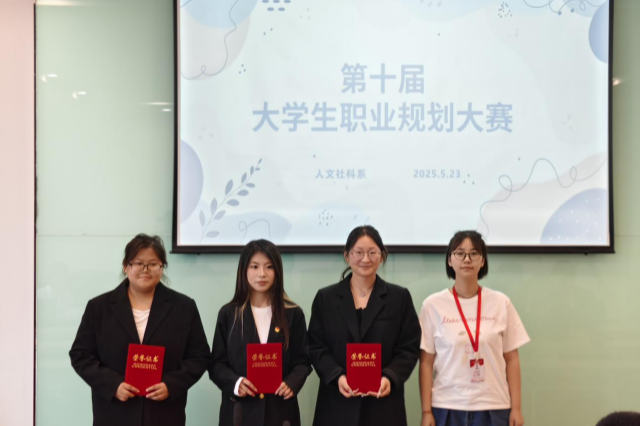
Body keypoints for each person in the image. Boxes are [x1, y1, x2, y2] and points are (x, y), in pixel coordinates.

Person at [69, 234, 210, 426]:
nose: (146, 269)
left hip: (164, 414)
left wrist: (171, 385)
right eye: (138, 263)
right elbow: (81, 355)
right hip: (114, 413)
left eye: (153, 264)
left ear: (162, 268)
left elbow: (199, 356)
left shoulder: (184, 307)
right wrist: (112, 385)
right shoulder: (99, 307)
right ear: (125, 266)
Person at [308, 225, 421, 426]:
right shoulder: (326, 298)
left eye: (372, 252)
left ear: (382, 256)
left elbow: (409, 347)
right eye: (358, 252)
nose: (365, 259)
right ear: (347, 256)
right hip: (337, 403)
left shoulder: (399, 297)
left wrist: (390, 377)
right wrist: (337, 377)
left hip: (383, 404)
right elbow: (316, 346)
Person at [419, 230, 530, 426]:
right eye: (460, 253)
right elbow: (426, 362)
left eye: (474, 253)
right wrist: (426, 411)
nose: (467, 259)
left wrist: (516, 408)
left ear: (483, 260)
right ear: (449, 260)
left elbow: (512, 359)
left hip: (494, 406)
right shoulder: (432, 305)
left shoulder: (500, 302)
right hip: (447, 406)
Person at [209, 239, 312, 426]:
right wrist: (236, 383)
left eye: (269, 267)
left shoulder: (293, 314)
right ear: (244, 270)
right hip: (240, 411)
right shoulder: (229, 314)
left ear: (278, 271)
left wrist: (292, 382)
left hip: (280, 410)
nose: (262, 274)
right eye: (254, 266)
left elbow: (303, 361)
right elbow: (216, 364)